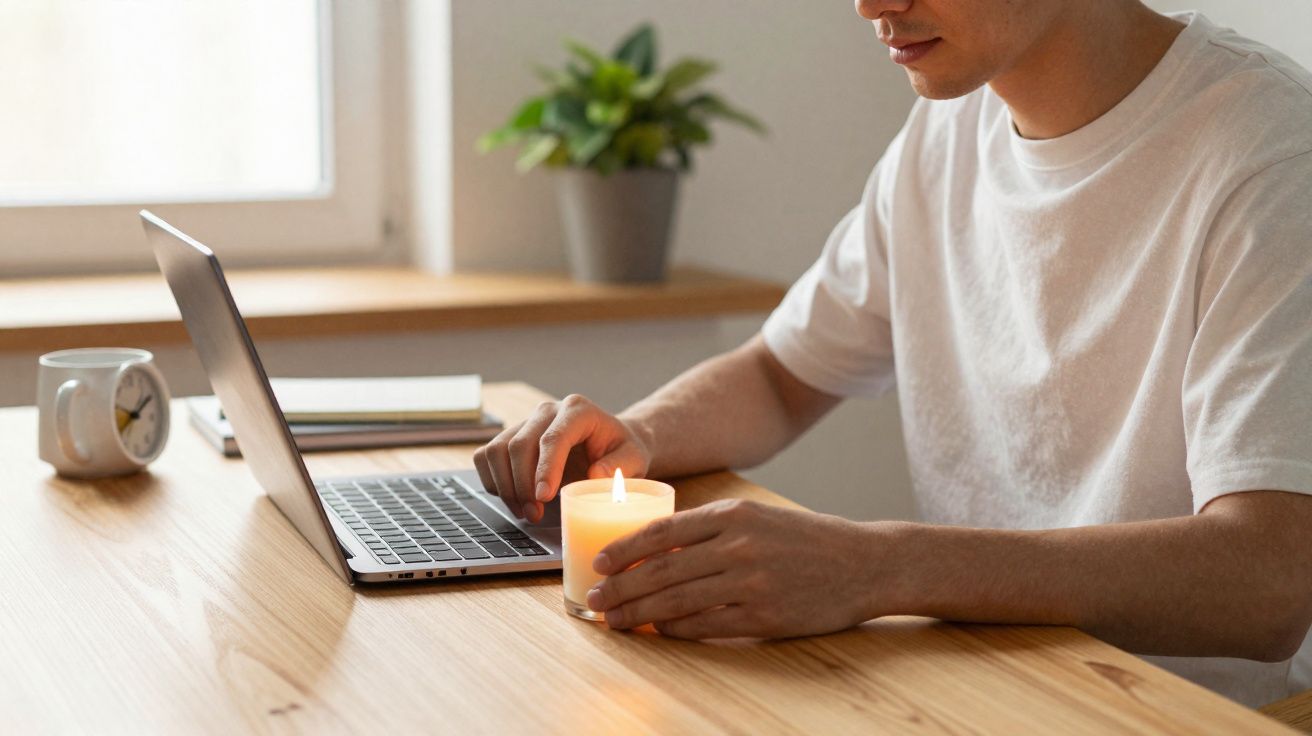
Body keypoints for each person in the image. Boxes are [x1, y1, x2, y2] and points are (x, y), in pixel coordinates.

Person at [474, 0, 1312, 707]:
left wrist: (877, 567)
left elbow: (1269, 582)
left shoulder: (1269, 155)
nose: (869, 3)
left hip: (1190, 712)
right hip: (981, 686)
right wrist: (638, 436)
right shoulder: (949, 126)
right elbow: (779, 374)